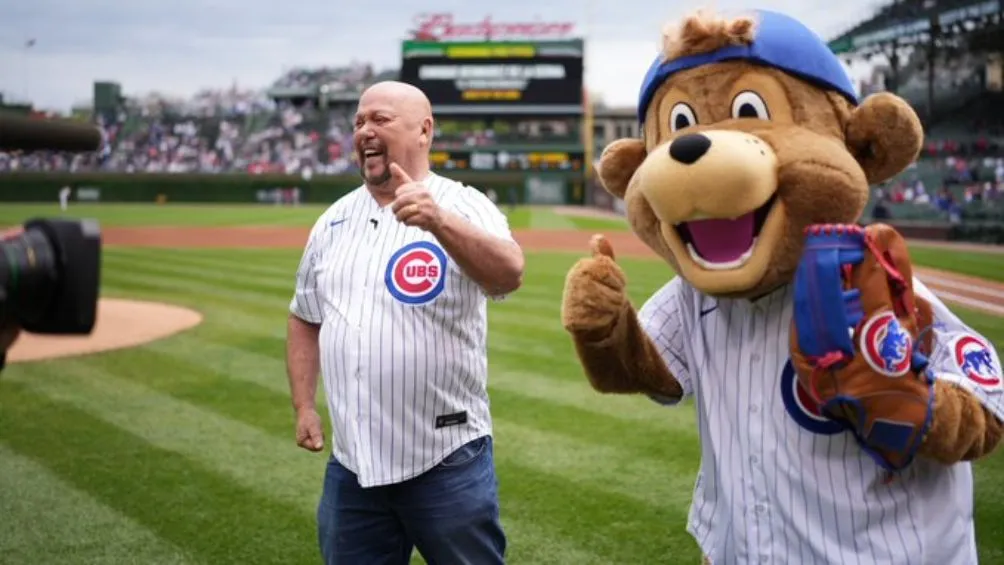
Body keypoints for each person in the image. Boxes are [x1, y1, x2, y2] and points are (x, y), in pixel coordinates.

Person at [285, 80, 524, 565]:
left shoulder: (462, 204)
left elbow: (508, 274)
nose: (365, 131)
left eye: (380, 119)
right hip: (352, 469)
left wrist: (439, 221)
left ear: (424, 131)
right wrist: (304, 405)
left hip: (446, 460)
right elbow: (304, 317)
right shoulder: (332, 222)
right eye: (358, 122)